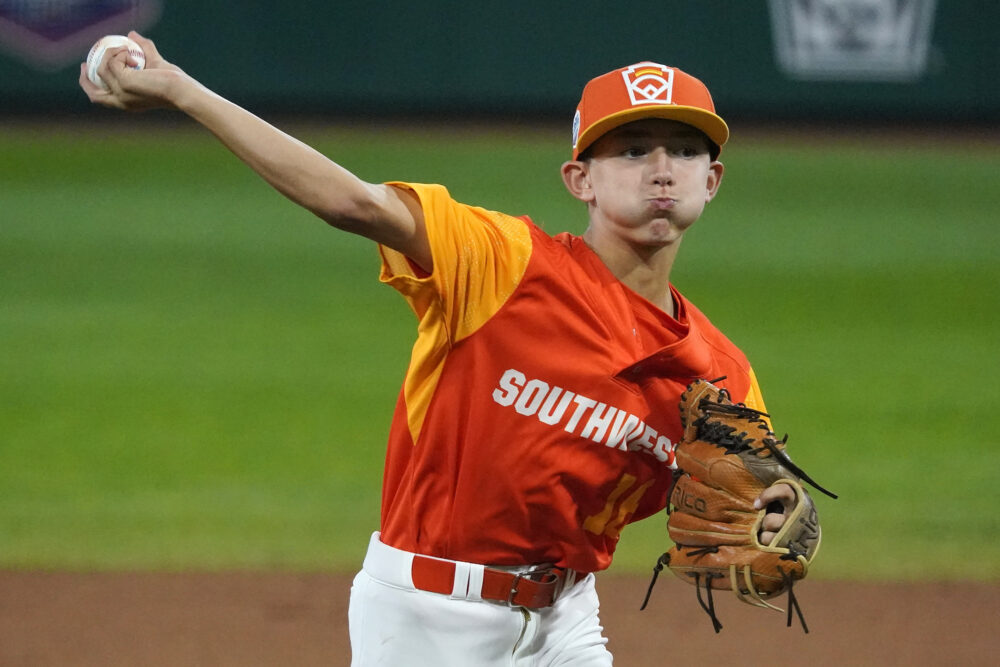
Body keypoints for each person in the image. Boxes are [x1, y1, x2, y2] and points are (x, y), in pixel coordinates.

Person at [81, 36, 797, 666]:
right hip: (425, 615)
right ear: (580, 179)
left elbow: (750, 511)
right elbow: (355, 203)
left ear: (713, 179)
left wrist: (768, 517)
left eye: (685, 150)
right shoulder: (501, 263)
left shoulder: (720, 372)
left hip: (565, 619)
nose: (661, 168)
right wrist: (180, 88)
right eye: (633, 150)